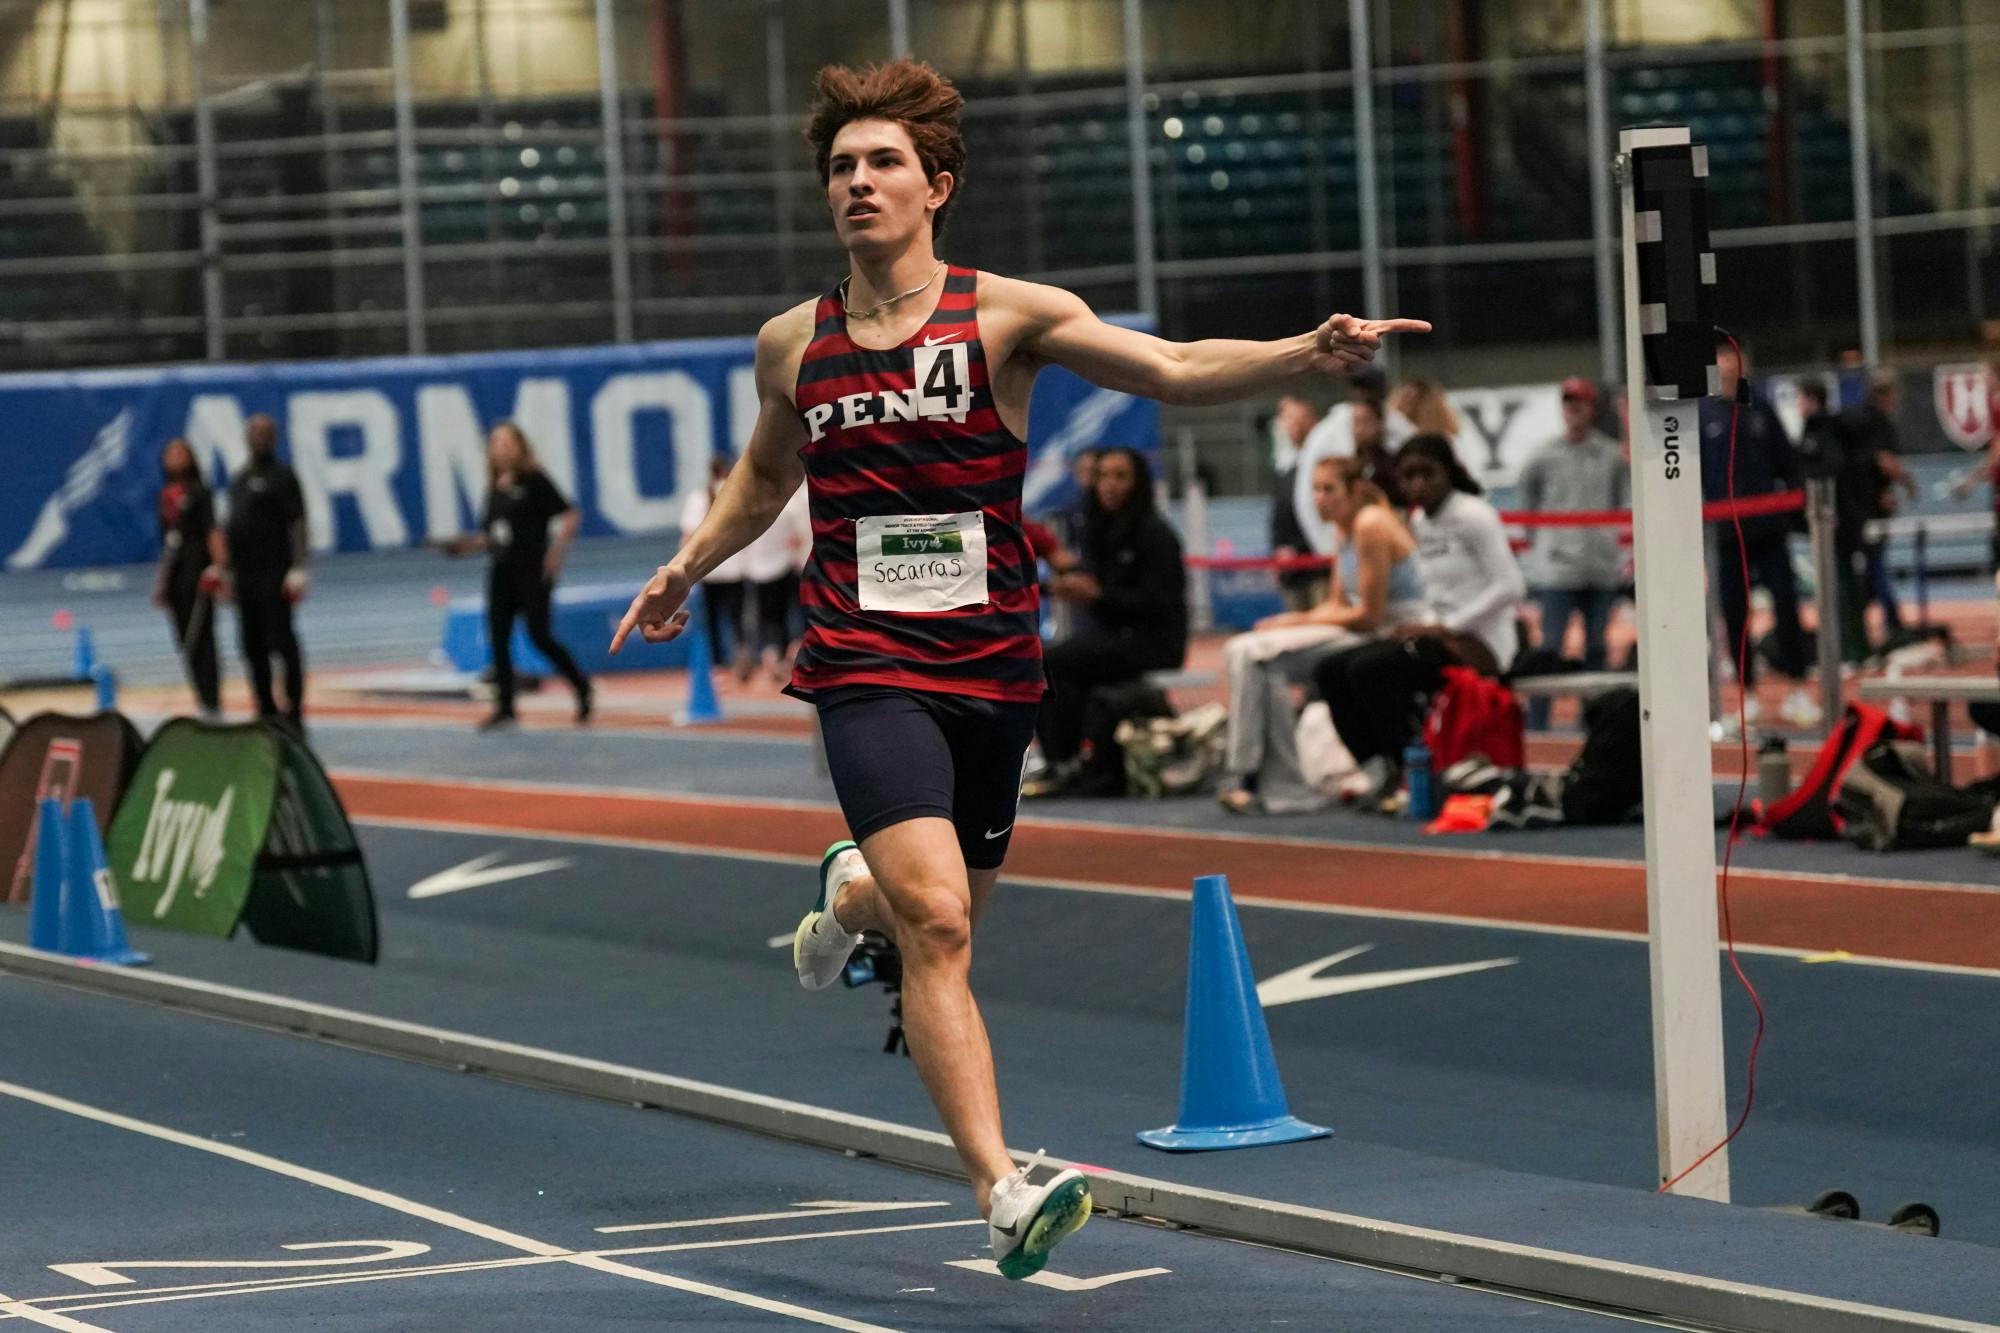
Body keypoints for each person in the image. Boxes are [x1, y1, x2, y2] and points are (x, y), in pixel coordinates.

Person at [609, 56, 1427, 1281]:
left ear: (934, 186)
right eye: (839, 167)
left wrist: (1303, 352)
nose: (857, 183)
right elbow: (765, 476)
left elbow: (1173, 367)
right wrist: (690, 563)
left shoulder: (1008, 315)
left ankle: (845, 898)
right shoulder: (793, 342)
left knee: (939, 917)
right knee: (937, 923)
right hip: (862, 656)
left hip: (992, 664)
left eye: (882, 162)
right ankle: (1001, 1189)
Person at [1313, 434, 1524, 804]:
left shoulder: (1474, 515)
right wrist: (1423, 624)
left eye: (1427, 474)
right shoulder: (1420, 520)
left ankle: (1412, 771)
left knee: (1370, 669)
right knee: (1331, 669)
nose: (1417, 485)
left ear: (1449, 472)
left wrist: (1448, 625)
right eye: (1408, 477)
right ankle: (1379, 766)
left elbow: (1510, 587)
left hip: (1483, 643)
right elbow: (1436, 593)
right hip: (1438, 635)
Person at [1220, 455, 1420, 814]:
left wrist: (1297, 623)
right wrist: (1296, 619)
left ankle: (1253, 776)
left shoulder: (1371, 524)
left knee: (1258, 656)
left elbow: (1369, 616)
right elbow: (1336, 603)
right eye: (1315, 489)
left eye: (1329, 489)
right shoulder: (1342, 528)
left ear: (1355, 490)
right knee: (1240, 648)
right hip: (1361, 629)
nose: (1319, 499)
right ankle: (1273, 779)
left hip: (1396, 630)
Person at [1031, 446, 1188, 795]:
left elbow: (1159, 606)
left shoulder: (1155, 535)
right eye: (1103, 476)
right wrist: (1066, 589)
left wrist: (1099, 597)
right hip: (1117, 638)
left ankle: (1064, 762)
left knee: (1052, 660)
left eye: (1120, 476)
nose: (1109, 485)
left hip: (1153, 643)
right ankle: (1071, 759)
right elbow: (1096, 590)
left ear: (1138, 483)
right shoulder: (1098, 531)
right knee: (1054, 665)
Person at [440, 422, 593, 730]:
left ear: (521, 446)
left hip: (532, 570)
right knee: (498, 636)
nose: (503, 448)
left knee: (539, 635)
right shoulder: (495, 486)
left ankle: (581, 685)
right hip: (501, 570)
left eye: (509, 442)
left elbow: (569, 513)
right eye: (497, 443)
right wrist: (463, 547)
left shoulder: (534, 480)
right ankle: (506, 707)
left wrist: (556, 554)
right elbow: (491, 536)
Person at [1704, 338, 1816, 728]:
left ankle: (1798, 690)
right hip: (1726, 535)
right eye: (1721, 362)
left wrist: (1802, 508)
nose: (1729, 369)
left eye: (1734, 361)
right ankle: (1745, 697)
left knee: (1788, 608)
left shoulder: (1762, 409)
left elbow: (1789, 462)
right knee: (1734, 616)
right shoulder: (1704, 415)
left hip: (1770, 530)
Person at [1516, 377, 1627, 728]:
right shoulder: (1542, 457)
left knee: (1597, 648)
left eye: (1579, 404)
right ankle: (1537, 726)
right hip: (1558, 572)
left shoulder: (1611, 456)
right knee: (1550, 648)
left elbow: (1621, 504)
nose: (1573, 412)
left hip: (1599, 567)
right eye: (1568, 404)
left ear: (1592, 409)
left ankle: (1596, 721)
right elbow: (1526, 506)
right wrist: (1543, 547)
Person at [210, 413, 309, 729]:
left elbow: (298, 522)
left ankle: (294, 708)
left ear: (276, 437)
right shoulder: (239, 478)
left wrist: (299, 566)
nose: (260, 438)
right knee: (251, 645)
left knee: (281, 641)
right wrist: (224, 571)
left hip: (274, 574)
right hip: (244, 577)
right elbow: (231, 527)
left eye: (266, 433)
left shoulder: (283, 477)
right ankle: (265, 707)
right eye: (254, 432)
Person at [1841, 369, 1918, 644]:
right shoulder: (1877, 422)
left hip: (1859, 502)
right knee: (1874, 565)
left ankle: (1860, 620)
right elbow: (1884, 460)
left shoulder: (1860, 420)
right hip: (1867, 506)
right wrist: (1909, 482)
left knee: (1872, 566)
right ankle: (1888, 620)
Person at [151, 438, 221, 719]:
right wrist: (162, 582)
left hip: (198, 570)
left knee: (202, 637)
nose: (175, 457)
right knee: (184, 639)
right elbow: (167, 542)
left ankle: (212, 700)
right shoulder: (165, 496)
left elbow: (212, 530)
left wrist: (217, 566)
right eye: (170, 453)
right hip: (176, 575)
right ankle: (201, 696)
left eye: (181, 452)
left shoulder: (200, 493)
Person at [682, 456, 753, 676]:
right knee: (737, 618)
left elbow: (689, 534)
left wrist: (687, 568)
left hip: (709, 569)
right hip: (735, 568)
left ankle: (718, 665)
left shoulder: (698, 498)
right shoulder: (737, 494)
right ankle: (740, 651)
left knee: (712, 620)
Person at [1267, 395, 1327, 611]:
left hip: (1319, 567)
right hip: (1292, 573)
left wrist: (1298, 549)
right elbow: (1278, 515)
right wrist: (1277, 552)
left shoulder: (1324, 463)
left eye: (1295, 417)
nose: (1290, 424)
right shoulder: (1286, 465)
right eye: (1285, 418)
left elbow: (1325, 515)